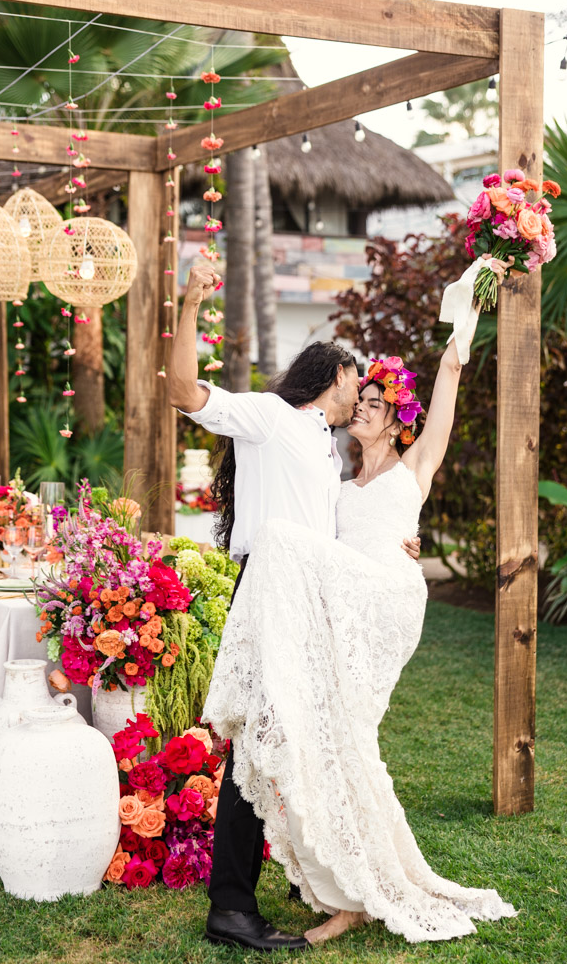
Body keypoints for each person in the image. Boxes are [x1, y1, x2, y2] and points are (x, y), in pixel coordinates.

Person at [203, 255, 518, 945]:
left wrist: (468, 302)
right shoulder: (334, 489)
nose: (362, 410)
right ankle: (339, 880)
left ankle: (316, 881)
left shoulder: (415, 466)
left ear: (395, 423)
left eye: (374, 406)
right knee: (338, 737)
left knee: (281, 547)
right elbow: (325, 553)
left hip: (386, 601)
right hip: (341, 600)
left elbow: (451, 383)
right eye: (361, 401)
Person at [169, 262, 421, 952]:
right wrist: (192, 300)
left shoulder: (329, 450)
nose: (362, 389)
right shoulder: (270, 416)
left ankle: (304, 876)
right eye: (355, 378)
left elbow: (344, 526)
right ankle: (230, 907)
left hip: (315, 596)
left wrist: (395, 541)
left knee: (301, 741)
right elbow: (182, 390)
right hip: (272, 590)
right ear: (331, 376)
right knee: (258, 740)